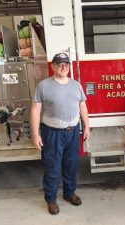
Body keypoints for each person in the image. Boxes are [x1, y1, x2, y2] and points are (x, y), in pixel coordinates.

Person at [30, 53, 90, 215]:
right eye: (60, 64)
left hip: (72, 132)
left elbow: (82, 106)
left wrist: (87, 127)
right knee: (53, 167)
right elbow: (35, 110)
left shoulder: (76, 85)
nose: (64, 67)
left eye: (66, 64)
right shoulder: (43, 86)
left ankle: (69, 193)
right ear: (53, 66)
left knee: (71, 165)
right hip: (52, 134)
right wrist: (35, 134)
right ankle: (51, 199)